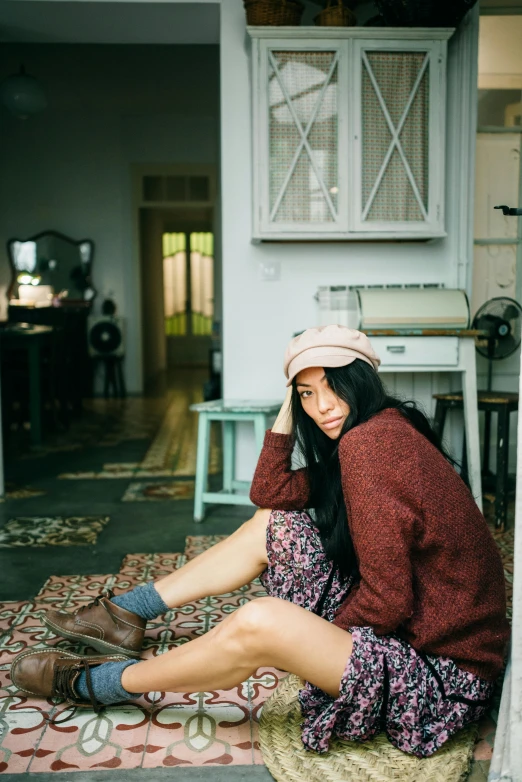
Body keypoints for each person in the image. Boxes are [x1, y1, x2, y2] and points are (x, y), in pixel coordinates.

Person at [11, 325, 509, 757]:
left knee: (260, 623)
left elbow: (388, 599)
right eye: (307, 393)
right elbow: (269, 493)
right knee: (273, 524)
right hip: (420, 633)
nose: (324, 405)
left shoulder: (370, 443)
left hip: (441, 676)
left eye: (333, 385)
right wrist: (286, 414)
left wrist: (303, 637)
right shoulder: (376, 429)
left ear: (361, 379)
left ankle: (93, 684)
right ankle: (128, 613)